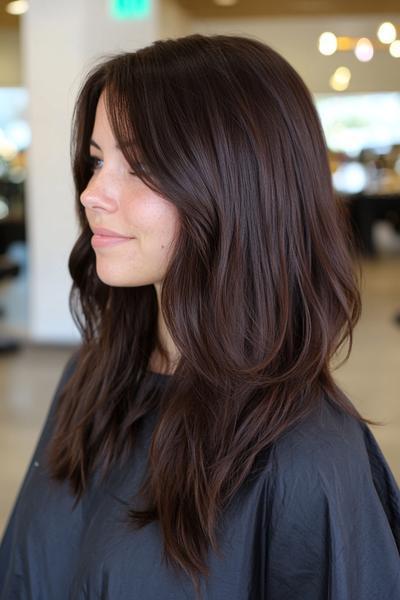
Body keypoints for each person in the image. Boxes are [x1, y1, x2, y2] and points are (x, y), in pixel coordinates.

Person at [0, 33, 399, 600]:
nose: (91, 193)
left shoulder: (306, 461)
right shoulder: (93, 379)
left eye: (138, 164)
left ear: (237, 186)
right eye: (96, 160)